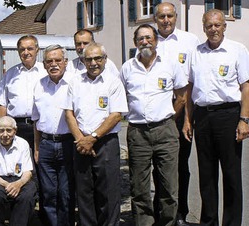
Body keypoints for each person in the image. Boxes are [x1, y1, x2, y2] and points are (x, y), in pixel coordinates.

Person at [182, 9, 249, 226]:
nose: (213, 29)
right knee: (206, 174)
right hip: (203, 116)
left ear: (224, 26)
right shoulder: (195, 53)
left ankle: (232, 222)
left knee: (231, 173)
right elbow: (189, 88)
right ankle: (209, 222)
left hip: (228, 115)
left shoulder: (237, 50)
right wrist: (188, 120)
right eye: (209, 25)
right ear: (203, 27)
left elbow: (246, 87)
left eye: (217, 25)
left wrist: (244, 120)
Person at [120, 24, 188, 226]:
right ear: (135, 43)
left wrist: (168, 118)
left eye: (149, 37)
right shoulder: (127, 68)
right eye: (140, 38)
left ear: (156, 41)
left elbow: (182, 97)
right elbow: (119, 96)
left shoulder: (170, 64)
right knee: (139, 187)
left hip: (165, 130)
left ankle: (167, 222)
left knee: (169, 186)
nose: (145, 42)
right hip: (138, 132)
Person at [61, 43, 128, 226]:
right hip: (80, 143)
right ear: (82, 61)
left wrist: (92, 138)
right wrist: (81, 140)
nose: (93, 63)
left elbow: (116, 115)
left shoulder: (113, 82)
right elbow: (69, 113)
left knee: (108, 194)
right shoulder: (75, 82)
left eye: (97, 58)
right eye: (88, 59)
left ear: (105, 59)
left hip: (105, 143)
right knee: (84, 193)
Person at [153, 3, 200, 224]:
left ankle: (180, 213)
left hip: (182, 108)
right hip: (157, 109)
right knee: (157, 166)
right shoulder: (148, 40)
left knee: (181, 165)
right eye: (161, 16)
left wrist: (187, 119)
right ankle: (160, 213)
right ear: (155, 19)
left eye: (169, 16)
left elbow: (192, 83)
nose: (165, 20)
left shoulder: (190, 41)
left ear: (176, 17)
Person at [32, 44, 76, 226]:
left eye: (58, 60)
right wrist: (36, 148)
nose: (54, 64)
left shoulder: (75, 83)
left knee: (66, 193)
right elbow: (36, 121)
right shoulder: (39, 85)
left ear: (65, 62)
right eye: (49, 61)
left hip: (68, 143)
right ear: (44, 64)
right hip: (46, 145)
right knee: (48, 193)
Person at [0, 35, 45, 150]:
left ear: (37, 50)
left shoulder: (45, 72)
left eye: (30, 48)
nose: (26, 52)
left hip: (41, 126)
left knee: (40, 163)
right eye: (22, 49)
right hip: (17, 127)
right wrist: (2, 129)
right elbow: (2, 104)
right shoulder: (10, 74)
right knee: (17, 165)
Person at [0, 116, 36, 226]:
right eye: (1, 130)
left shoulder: (23, 144)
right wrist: (9, 185)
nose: (5, 134)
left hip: (20, 180)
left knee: (27, 195)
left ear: (15, 131)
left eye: (9, 130)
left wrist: (18, 184)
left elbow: (28, 172)